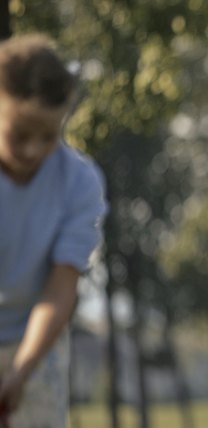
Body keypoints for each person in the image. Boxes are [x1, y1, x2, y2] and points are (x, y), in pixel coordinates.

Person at [0, 34, 107, 427]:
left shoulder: (80, 182)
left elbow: (61, 288)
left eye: (48, 136)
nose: (32, 150)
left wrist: (21, 369)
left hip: (36, 344)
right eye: (19, 134)